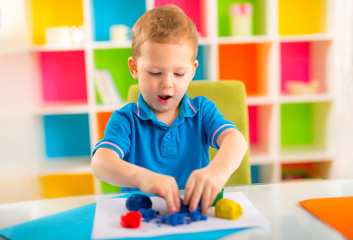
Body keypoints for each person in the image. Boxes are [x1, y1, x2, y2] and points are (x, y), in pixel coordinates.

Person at [91, 4, 247, 215]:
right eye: (155, 72)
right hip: (142, 221)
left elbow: (235, 140)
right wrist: (143, 178)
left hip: (193, 216)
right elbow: (100, 162)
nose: (167, 84)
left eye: (179, 74)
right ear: (134, 68)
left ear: (193, 71)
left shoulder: (202, 112)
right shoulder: (125, 119)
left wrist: (217, 171)